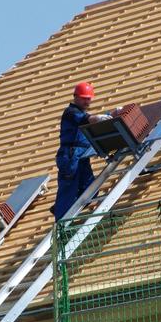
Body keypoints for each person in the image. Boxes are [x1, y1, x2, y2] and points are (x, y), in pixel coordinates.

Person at [52, 82, 108, 221]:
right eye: (84, 98)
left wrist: (113, 114)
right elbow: (88, 119)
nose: (87, 101)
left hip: (81, 158)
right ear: (75, 97)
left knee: (90, 189)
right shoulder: (71, 113)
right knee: (68, 191)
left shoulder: (83, 114)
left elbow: (90, 119)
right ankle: (61, 222)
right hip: (70, 157)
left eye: (89, 99)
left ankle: (61, 208)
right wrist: (101, 117)